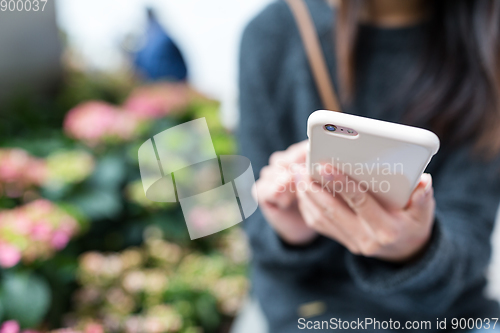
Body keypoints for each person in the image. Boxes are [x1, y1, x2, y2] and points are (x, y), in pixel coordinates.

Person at [237, 0, 500, 332]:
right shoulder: (276, 31)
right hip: (321, 316)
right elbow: (254, 226)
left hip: (449, 315)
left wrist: (416, 250)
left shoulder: (487, 40)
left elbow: (471, 237)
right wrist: (291, 230)